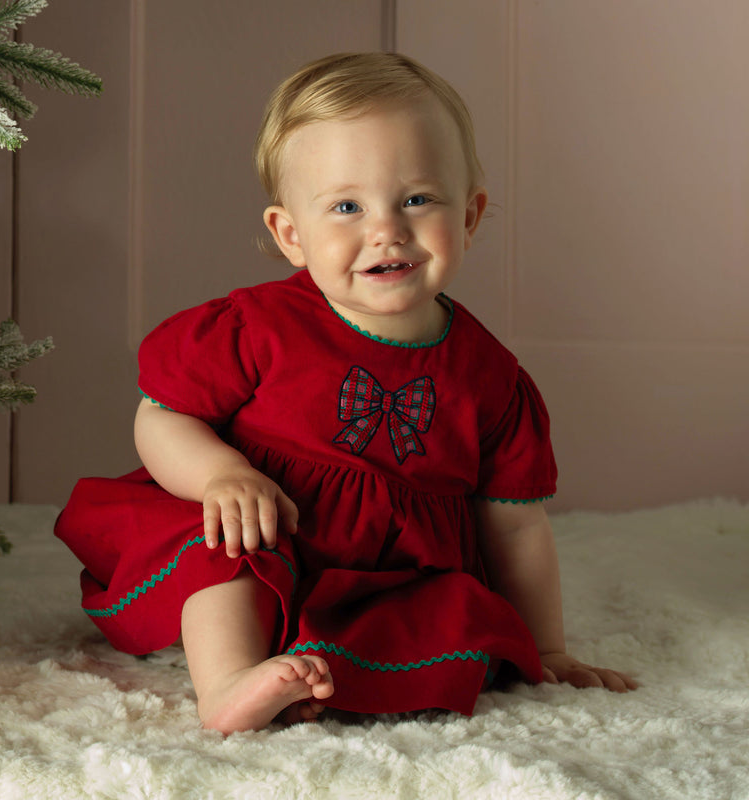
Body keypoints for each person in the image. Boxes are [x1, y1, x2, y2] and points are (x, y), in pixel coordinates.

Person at [55, 52, 636, 735]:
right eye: (347, 206)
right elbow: (163, 416)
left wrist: (548, 649)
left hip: (386, 576)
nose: (386, 229)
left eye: (417, 199)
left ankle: (329, 672)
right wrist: (220, 475)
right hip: (268, 529)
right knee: (221, 549)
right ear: (291, 235)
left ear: (471, 216)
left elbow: (515, 527)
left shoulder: (490, 378)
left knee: (456, 616)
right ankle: (229, 683)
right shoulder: (257, 329)